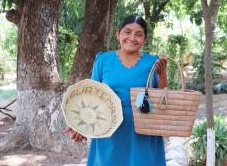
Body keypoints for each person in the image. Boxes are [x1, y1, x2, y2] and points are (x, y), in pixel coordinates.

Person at [64, 14, 168, 166]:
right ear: (118, 34)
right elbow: (91, 96)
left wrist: (162, 74)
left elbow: (163, 97)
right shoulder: (103, 60)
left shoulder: (153, 63)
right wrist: (81, 126)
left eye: (139, 34)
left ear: (144, 40)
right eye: (127, 32)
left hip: (143, 131)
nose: (132, 37)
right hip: (109, 129)